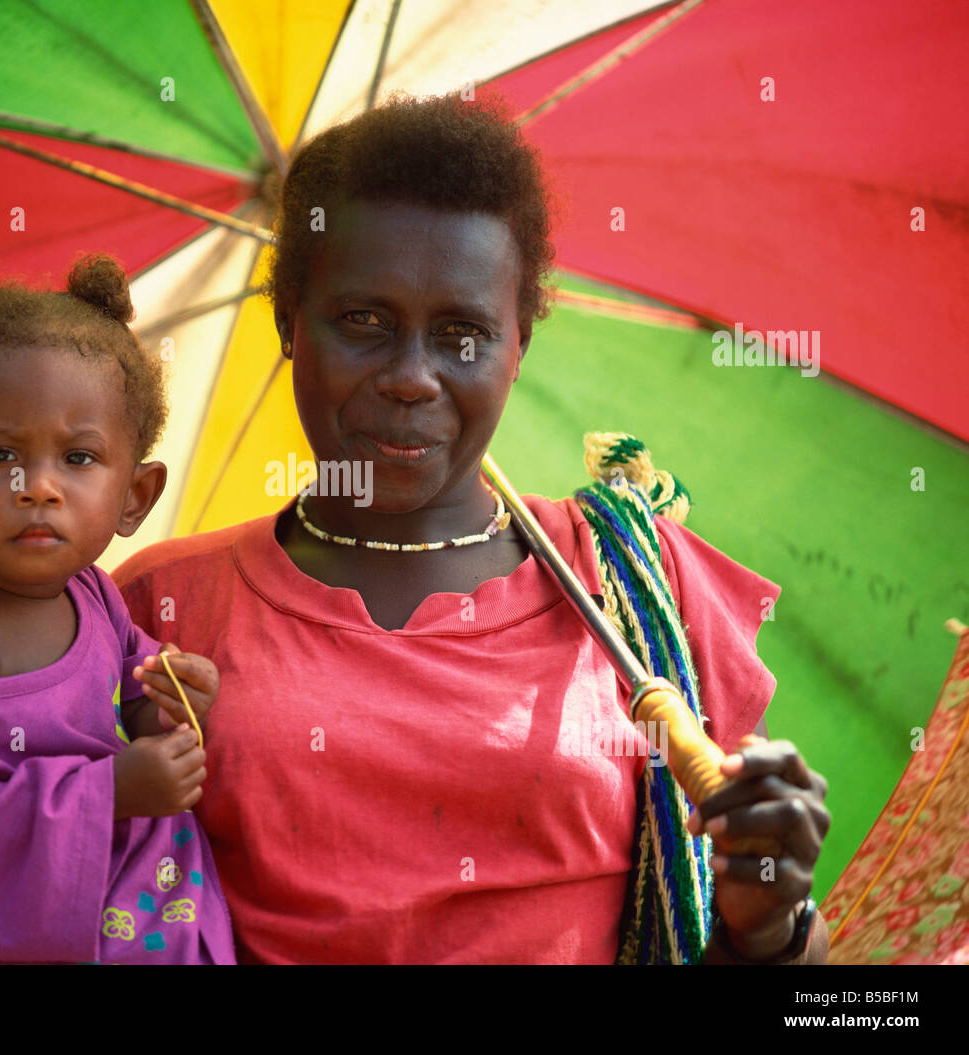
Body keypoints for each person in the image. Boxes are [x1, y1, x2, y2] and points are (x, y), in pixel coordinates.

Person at [113, 93, 831, 964]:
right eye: (365, 321)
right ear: (288, 326)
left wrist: (770, 923)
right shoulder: (161, 604)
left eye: (462, 334)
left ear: (519, 343)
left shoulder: (643, 589)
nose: (412, 377)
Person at [0, 254, 233, 964]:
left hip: (121, 891)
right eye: (0, 454)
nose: (38, 487)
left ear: (135, 497)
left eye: (79, 459)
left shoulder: (92, 592)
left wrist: (169, 703)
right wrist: (110, 791)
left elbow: (128, 693)